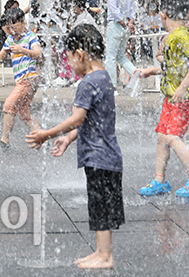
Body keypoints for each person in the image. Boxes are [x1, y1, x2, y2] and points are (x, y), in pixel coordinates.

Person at [26, 24, 124, 269]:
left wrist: (46, 134)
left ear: (79, 54)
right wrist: (69, 138)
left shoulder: (88, 83)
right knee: (100, 206)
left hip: (99, 157)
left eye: (69, 59)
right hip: (107, 155)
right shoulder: (104, 77)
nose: (70, 66)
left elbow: (77, 118)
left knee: (101, 208)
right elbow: (92, 119)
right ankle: (101, 251)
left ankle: (105, 256)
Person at [136, 0, 189, 198]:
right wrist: (151, 71)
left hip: (184, 99)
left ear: (163, 15)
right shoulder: (174, 36)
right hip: (172, 99)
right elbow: (174, 66)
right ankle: (159, 180)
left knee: (172, 137)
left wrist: (183, 87)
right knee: (162, 137)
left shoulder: (179, 35)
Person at [0, 7, 42, 149]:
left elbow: (38, 54)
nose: (12, 31)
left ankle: (4, 141)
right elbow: (1, 57)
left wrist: (22, 50)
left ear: (24, 23)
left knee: (9, 105)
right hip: (24, 80)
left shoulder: (30, 37)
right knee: (24, 112)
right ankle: (41, 137)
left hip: (29, 79)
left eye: (14, 27)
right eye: (9, 28)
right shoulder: (10, 39)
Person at [104, 0, 136, 88]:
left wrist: (123, 22)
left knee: (111, 57)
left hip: (116, 24)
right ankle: (136, 76)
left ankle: (112, 87)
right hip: (126, 26)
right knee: (121, 56)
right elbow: (133, 8)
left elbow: (113, 10)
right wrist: (130, 23)